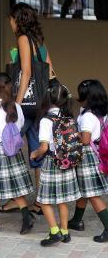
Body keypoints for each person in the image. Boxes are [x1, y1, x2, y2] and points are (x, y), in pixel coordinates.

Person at [2, 3, 53, 214]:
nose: (10, 23)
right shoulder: (39, 41)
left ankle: (17, 198)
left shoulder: (23, 39)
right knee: (37, 151)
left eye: (11, 19)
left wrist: (17, 103)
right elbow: (50, 71)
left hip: (26, 105)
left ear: (18, 19)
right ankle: (41, 201)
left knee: (8, 146)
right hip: (40, 106)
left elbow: (26, 72)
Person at [0, 72, 35, 234]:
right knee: (15, 187)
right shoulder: (17, 107)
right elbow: (21, 125)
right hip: (13, 151)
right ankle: (26, 216)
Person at [30, 83, 81, 246]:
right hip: (67, 162)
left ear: (47, 98)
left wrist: (34, 154)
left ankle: (54, 232)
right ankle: (65, 231)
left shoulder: (46, 120)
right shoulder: (68, 117)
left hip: (52, 162)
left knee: (44, 200)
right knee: (62, 200)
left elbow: (44, 148)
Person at [68, 80, 108, 243]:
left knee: (92, 194)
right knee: (84, 190)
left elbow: (85, 140)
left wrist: (70, 133)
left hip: (87, 157)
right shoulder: (102, 112)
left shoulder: (87, 117)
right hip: (98, 154)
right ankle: (76, 221)